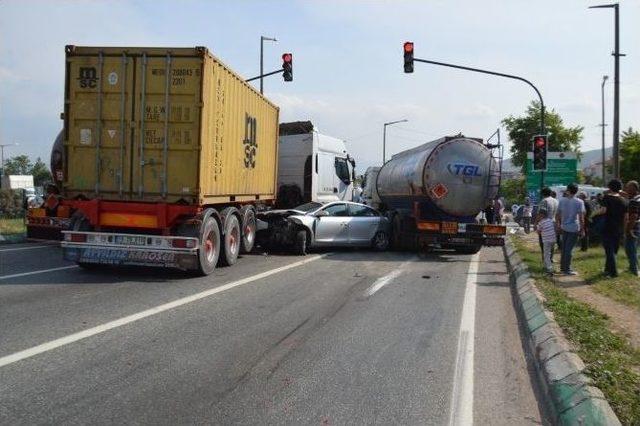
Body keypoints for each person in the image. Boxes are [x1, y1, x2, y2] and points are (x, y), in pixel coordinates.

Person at [600, 179, 628, 277]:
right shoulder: (624, 200)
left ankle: (613, 272)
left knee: (609, 250)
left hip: (608, 227)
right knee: (614, 250)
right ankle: (607, 269)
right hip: (619, 228)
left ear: (609, 187)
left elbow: (603, 211)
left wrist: (593, 215)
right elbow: (626, 218)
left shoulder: (607, 198)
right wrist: (624, 231)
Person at [556, 183, 585, 275]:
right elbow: (581, 217)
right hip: (574, 227)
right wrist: (582, 229)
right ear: (576, 191)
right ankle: (567, 269)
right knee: (569, 249)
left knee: (564, 248)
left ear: (568, 190)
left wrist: (558, 225)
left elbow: (558, 215)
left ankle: (562, 267)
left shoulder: (561, 201)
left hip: (564, 227)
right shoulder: (579, 202)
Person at [536, 187, 559, 262]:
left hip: (545, 224)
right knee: (552, 242)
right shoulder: (556, 201)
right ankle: (551, 258)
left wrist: (536, 223)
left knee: (544, 242)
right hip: (554, 223)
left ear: (543, 194)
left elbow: (541, 213)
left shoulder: (544, 201)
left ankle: (545, 260)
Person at [624, 180, 639, 276]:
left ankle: (634, 270)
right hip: (637, 226)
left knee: (630, 249)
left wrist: (629, 229)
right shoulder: (637, 198)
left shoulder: (634, 201)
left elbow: (633, 216)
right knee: (633, 249)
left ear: (634, 189)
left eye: (628, 187)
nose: (626, 189)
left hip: (633, 227)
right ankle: (632, 267)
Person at [537, 208, 556, 275]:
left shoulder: (540, 223)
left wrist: (538, 229)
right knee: (549, 253)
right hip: (553, 239)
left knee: (546, 254)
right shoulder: (550, 221)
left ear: (541, 215)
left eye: (539, 215)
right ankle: (545, 266)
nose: (538, 216)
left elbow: (539, 232)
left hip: (546, 240)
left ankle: (550, 269)